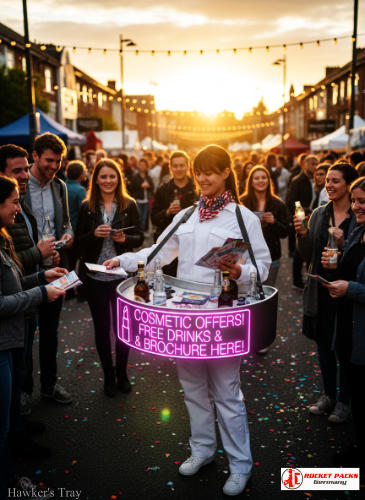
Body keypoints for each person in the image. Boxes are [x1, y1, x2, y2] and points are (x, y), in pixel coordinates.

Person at [105, 145, 271, 496]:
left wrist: (240, 270)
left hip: (225, 316)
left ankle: (240, 466)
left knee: (227, 393)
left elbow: (264, 268)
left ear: (226, 172)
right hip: (185, 319)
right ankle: (203, 450)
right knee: (193, 389)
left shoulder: (244, 218)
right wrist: (122, 260)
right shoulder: (187, 215)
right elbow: (156, 255)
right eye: (199, 172)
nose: (202, 178)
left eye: (210, 171)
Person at [0, 175, 66, 499]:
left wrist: (42, 275)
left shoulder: (2, 239)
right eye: (13, 201)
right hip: (2, 342)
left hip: (8, 340)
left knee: (9, 415)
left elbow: (13, 282)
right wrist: (41, 291)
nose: (18, 207)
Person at [295, 162, 358, 424]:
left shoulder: (358, 215)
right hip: (321, 288)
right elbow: (307, 254)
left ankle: (345, 401)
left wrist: (343, 246)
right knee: (323, 346)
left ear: (348, 185)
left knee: (345, 348)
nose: (329, 185)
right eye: (327, 180)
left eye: (336, 181)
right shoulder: (320, 213)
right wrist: (301, 235)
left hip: (346, 291)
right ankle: (329, 395)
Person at [74, 159, 143, 397]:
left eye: (112, 176)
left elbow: (140, 238)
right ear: (95, 180)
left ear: (118, 179)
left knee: (123, 328)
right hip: (95, 277)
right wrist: (93, 234)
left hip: (122, 277)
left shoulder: (129, 204)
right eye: (103, 177)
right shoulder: (87, 207)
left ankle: (122, 373)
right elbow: (79, 241)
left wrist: (126, 240)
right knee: (102, 329)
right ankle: (109, 376)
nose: (107, 181)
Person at [24, 133, 74, 404]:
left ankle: (49, 386)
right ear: (35, 156)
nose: (54, 167)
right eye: (49, 161)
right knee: (25, 332)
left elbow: (65, 223)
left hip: (57, 268)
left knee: (51, 331)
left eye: (58, 162)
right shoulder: (19, 185)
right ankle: (23, 391)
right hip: (28, 270)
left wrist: (67, 238)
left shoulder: (61, 187)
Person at [321, 176, 365, 471]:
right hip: (348, 324)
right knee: (355, 388)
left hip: (363, 330)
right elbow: (349, 269)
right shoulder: (358, 230)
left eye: (362, 201)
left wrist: (350, 289)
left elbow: (356, 283)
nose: (356, 207)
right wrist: (333, 261)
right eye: (356, 200)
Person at [241, 165, 289, 287]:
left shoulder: (278, 204)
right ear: (251, 182)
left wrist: (274, 222)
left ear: (269, 181)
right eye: (256, 178)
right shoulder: (242, 203)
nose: (261, 181)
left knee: (267, 293)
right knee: (248, 294)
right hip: (246, 258)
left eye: (264, 177)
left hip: (272, 257)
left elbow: (285, 232)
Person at [151, 151, 197, 276]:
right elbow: (153, 218)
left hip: (191, 245)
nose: (179, 169)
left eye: (182, 165)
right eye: (175, 166)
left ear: (188, 166)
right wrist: (167, 212)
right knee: (167, 282)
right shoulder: (163, 189)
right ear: (170, 168)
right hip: (168, 245)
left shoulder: (196, 189)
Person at [286, 154, 319, 288]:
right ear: (304, 165)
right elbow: (290, 200)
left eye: (317, 163)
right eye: (313, 163)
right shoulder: (297, 180)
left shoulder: (317, 180)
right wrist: (301, 209)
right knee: (299, 251)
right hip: (302, 218)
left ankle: (309, 278)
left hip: (313, 219)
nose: (315, 166)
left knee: (309, 250)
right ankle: (297, 280)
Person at [128, 158, 153, 233]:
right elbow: (132, 188)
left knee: (145, 218)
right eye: (141, 165)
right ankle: (139, 232)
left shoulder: (148, 176)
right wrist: (140, 186)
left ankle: (142, 231)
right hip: (138, 200)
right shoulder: (136, 176)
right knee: (139, 217)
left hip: (146, 200)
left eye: (144, 165)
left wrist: (148, 186)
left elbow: (153, 186)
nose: (142, 167)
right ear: (138, 166)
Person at [65, 160, 87, 231]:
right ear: (81, 174)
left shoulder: (62, 186)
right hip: (75, 228)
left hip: (63, 228)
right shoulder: (80, 190)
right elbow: (84, 212)